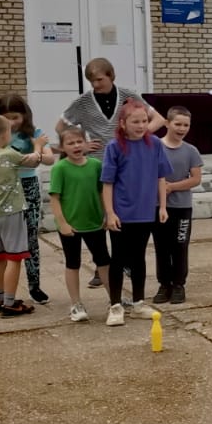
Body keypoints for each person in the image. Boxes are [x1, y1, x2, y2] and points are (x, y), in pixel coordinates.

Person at [56, 58, 165, 291]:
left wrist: (139, 136)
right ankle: (102, 264)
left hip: (126, 164)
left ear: (111, 75)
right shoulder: (83, 102)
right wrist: (81, 145)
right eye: (91, 81)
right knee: (103, 215)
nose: (95, 85)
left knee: (123, 216)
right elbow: (61, 127)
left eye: (99, 79)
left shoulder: (128, 96)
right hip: (97, 165)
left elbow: (159, 119)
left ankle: (125, 261)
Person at [100, 99, 169, 327]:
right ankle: (115, 305)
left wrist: (162, 206)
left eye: (144, 121)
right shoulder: (114, 147)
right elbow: (107, 183)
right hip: (122, 213)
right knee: (118, 259)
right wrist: (110, 213)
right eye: (135, 122)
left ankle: (138, 303)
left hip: (145, 212)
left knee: (139, 258)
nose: (141, 126)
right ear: (123, 123)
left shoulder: (155, 144)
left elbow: (161, 176)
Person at [0, 114, 48, 318]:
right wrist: (38, 145)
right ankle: (10, 302)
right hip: (12, 213)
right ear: (4, 135)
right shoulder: (8, 154)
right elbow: (34, 161)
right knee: (14, 258)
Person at [47, 124, 110, 323]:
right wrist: (62, 223)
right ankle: (76, 304)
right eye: (70, 143)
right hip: (71, 226)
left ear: (85, 143)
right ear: (62, 147)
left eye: (79, 141)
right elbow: (55, 198)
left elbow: (102, 191)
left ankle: (115, 299)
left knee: (104, 261)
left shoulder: (95, 165)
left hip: (95, 223)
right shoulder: (60, 168)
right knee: (72, 263)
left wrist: (107, 214)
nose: (75, 146)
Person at [0, 94, 51, 304]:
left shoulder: (34, 133)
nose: (11, 122)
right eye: (6, 118)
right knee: (4, 242)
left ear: (24, 115)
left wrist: (39, 151)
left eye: (15, 117)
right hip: (4, 190)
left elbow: (50, 159)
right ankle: (1, 292)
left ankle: (34, 286)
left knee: (30, 238)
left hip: (28, 188)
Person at [154, 106, 203, 305]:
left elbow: (196, 179)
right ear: (167, 123)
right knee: (162, 247)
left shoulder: (191, 151)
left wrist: (172, 187)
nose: (182, 128)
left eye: (186, 125)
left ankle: (178, 284)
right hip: (158, 206)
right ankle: (164, 284)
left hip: (182, 207)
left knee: (180, 246)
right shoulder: (155, 146)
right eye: (178, 124)